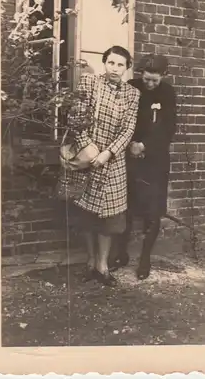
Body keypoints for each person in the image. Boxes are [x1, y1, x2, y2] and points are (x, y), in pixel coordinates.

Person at [62, 46, 140, 287]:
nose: (114, 69)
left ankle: (102, 265)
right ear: (105, 63)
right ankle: (89, 261)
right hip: (87, 159)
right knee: (86, 215)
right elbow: (76, 118)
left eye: (120, 65)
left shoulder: (132, 94)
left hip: (113, 163)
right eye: (111, 63)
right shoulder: (90, 82)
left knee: (108, 218)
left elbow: (128, 129)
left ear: (127, 68)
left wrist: (108, 153)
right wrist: (90, 150)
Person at [110, 54, 177, 280]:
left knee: (152, 212)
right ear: (140, 74)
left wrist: (145, 145)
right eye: (146, 79)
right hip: (130, 157)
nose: (149, 84)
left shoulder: (168, 94)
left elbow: (168, 129)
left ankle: (145, 258)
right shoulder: (131, 88)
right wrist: (130, 145)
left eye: (154, 80)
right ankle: (121, 253)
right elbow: (121, 119)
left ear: (163, 76)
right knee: (125, 207)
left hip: (155, 160)